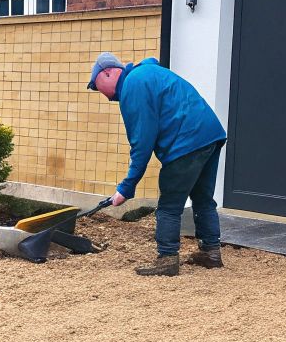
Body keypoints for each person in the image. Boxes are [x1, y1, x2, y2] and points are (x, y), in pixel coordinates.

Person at [87, 52, 228, 277]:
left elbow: (142, 142)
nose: (100, 93)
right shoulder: (148, 73)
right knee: (203, 199)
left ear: (108, 72)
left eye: (96, 85)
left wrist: (126, 187)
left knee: (169, 207)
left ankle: (168, 258)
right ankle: (211, 253)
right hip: (210, 135)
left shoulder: (133, 84)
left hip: (186, 142)